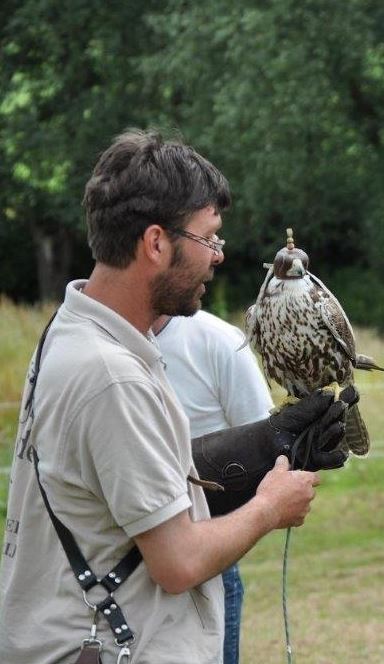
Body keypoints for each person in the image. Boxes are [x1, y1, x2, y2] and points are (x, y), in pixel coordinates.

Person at [0, 128, 355, 663]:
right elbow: (178, 562)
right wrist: (269, 506)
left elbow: (120, 491)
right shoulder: (111, 376)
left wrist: (263, 445)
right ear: (157, 243)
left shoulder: (70, 330)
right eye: (209, 238)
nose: (219, 255)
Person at [154, 311, 275, 664]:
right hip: (113, 567)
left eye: (218, 249)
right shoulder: (94, 343)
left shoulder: (219, 341)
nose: (217, 259)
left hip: (209, 563)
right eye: (211, 249)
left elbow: (266, 447)